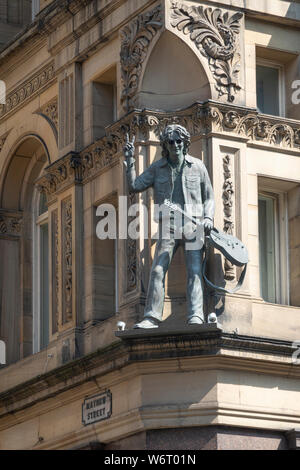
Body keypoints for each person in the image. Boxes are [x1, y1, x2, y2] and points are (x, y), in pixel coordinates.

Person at [123, 124, 215, 328]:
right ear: (165, 144)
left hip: (193, 225)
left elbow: (209, 197)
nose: (175, 145)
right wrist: (130, 161)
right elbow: (134, 186)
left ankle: (196, 315)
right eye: (171, 141)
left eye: (178, 141)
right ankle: (151, 317)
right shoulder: (158, 168)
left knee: (194, 270)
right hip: (169, 226)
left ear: (185, 143)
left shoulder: (198, 166)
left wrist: (209, 218)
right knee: (157, 270)